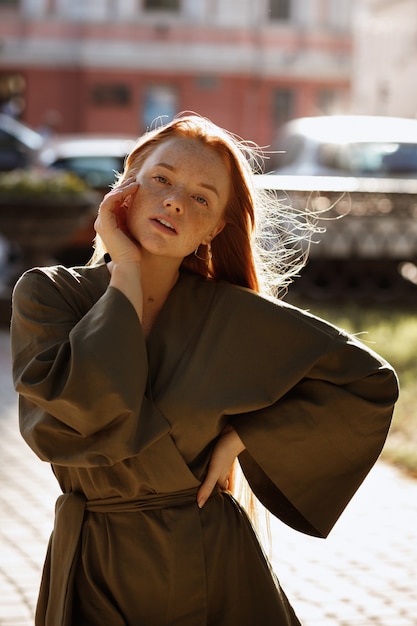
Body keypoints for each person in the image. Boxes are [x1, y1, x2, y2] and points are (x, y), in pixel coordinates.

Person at [10, 114, 398, 626]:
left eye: (201, 198)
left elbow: (366, 383)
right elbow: (87, 408)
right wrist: (124, 268)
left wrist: (248, 435)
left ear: (215, 228)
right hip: (91, 566)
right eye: (162, 179)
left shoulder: (231, 313)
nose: (174, 201)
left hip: (213, 563)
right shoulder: (49, 295)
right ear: (126, 186)